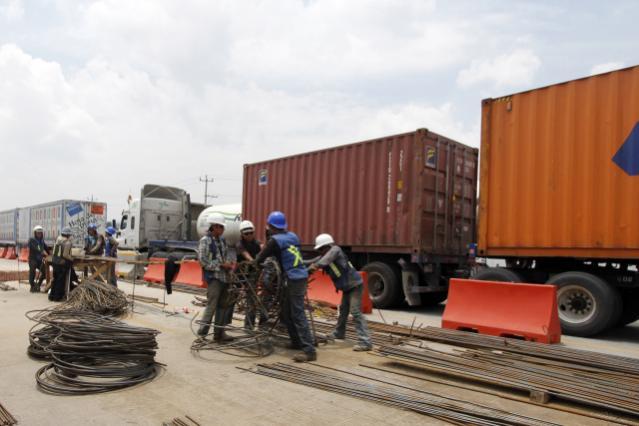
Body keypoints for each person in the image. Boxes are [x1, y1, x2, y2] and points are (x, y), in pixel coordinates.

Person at [255, 211, 316, 362]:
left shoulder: (274, 241)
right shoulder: (293, 236)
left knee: (297, 314)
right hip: (300, 277)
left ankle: (309, 351)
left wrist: (256, 264)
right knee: (286, 313)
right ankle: (296, 342)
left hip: (293, 280)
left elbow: (260, 258)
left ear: (270, 226)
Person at [308, 233, 372, 351]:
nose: (320, 252)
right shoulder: (325, 255)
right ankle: (339, 333)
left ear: (328, 246)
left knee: (355, 312)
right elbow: (312, 261)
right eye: (319, 250)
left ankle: (365, 341)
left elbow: (322, 262)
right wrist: (298, 263)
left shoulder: (335, 250)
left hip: (355, 286)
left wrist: (314, 267)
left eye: (322, 249)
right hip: (347, 287)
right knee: (343, 310)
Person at [197, 213, 235, 341]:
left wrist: (229, 265)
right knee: (212, 305)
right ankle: (202, 333)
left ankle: (219, 334)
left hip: (224, 278)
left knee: (223, 306)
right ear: (214, 227)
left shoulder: (222, 241)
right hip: (214, 278)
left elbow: (226, 257)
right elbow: (203, 261)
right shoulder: (205, 241)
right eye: (221, 227)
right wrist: (220, 265)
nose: (223, 230)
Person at [236, 220, 264, 330]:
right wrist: (254, 261)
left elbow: (262, 250)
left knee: (251, 299)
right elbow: (245, 254)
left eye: (251, 233)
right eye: (246, 233)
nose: (249, 235)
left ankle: (249, 325)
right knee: (231, 298)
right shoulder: (240, 244)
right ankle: (223, 324)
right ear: (242, 234)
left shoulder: (257, 243)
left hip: (252, 274)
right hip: (239, 275)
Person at [50, 227, 73, 302]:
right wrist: (72, 259)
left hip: (55, 262)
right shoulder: (67, 242)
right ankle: (58, 297)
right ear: (68, 235)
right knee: (61, 281)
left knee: (55, 279)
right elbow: (65, 255)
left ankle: (52, 296)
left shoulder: (58, 239)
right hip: (61, 264)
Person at [28, 225, 49, 293]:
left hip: (39, 260)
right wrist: (42, 252)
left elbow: (46, 248)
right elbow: (37, 248)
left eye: (40, 233)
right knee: (32, 270)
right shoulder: (32, 240)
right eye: (38, 233)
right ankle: (32, 285)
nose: (39, 234)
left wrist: (50, 252)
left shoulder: (42, 240)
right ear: (35, 233)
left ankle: (38, 284)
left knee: (44, 271)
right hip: (33, 259)